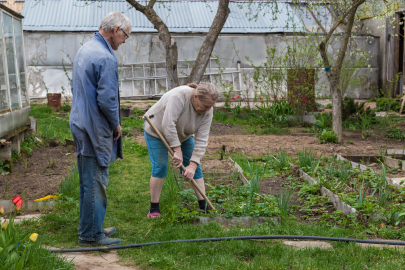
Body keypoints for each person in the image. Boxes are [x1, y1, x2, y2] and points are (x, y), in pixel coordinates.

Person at [69, 12, 131, 246]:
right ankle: (91, 236)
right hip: (93, 127)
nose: (124, 41)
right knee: (96, 181)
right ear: (116, 30)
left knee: (88, 180)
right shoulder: (106, 57)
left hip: (80, 121)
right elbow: (106, 100)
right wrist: (116, 122)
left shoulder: (86, 49)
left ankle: (90, 228)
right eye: (125, 35)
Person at [143, 83, 219, 218]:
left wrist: (193, 164)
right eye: (206, 106)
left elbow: (202, 139)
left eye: (210, 106)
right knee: (160, 166)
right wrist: (177, 150)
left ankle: (204, 205)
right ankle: (154, 208)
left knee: (195, 169)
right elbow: (168, 124)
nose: (208, 109)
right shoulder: (180, 96)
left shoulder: (208, 111)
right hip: (157, 131)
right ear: (195, 97)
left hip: (182, 135)